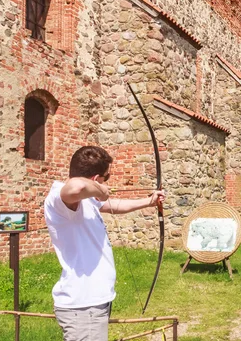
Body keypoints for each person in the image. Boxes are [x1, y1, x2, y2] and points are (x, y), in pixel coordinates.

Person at [44, 146, 165, 341]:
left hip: (92, 304)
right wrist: (100, 190)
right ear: (94, 178)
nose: (107, 181)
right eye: (106, 177)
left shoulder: (88, 200)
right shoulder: (60, 197)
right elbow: (75, 186)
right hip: (83, 306)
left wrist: (149, 201)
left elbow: (114, 206)